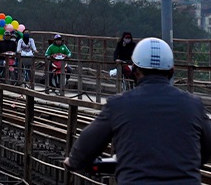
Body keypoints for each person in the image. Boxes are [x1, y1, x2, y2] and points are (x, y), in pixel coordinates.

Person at [65, 37, 211, 182]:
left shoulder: (118, 105)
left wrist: (74, 162)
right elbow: (208, 146)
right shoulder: (193, 105)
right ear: (171, 71)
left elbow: (87, 145)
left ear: (135, 70)